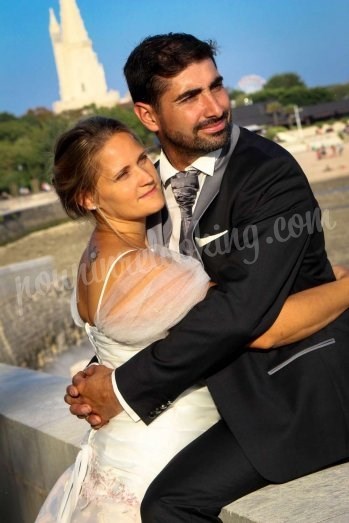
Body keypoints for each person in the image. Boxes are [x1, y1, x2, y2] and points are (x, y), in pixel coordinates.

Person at [65, 33, 349, 522]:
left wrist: (122, 386)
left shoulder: (267, 174)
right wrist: (103, 363)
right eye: (189, 97)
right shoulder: (149, 189)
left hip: (288, 395)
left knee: (169, 504)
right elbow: (138, 296)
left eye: (216, 86)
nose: (215, 106)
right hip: (208, 395)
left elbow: (247, 317)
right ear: (148, 116)